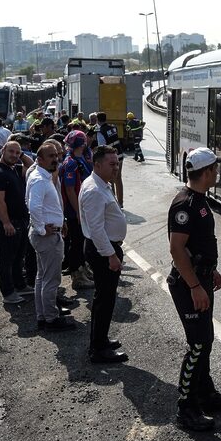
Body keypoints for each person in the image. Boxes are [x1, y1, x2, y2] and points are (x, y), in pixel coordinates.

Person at [168, 148, 221, 431]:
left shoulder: (198, 200)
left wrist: (211, 270)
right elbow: (176, 249)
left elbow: (196, 245)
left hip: (202, 278)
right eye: (216, 168)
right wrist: (196, 285)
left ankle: (205, 394)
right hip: (189, 284)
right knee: (197, 345)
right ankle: (185, 408)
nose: (218, 173)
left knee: (206, 341)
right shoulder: (185, 204)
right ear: (207, 172)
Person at [79, 145, 127, 363]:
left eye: (117, 163)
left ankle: (101, 339)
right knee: (104, 300)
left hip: (106, 248)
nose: (116, 167)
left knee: (106, 299)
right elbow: (96, 229)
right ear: (97, 165)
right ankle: (98, 349)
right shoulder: (94, 190)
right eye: (111, 164)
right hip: (103, 250)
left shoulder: (101, 184)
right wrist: (111, 255)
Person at [27, 142, 72, 332]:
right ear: (40, 159)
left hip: (47, 233)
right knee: (51, 279)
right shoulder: (39, 179)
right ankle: (51, 319)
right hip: (46, 236)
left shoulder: (41, 176)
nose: (56, 159)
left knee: (42, 278)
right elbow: (33, 206)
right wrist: (41, 229)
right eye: (51, 156)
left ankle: (43, 316)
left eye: (56, 155)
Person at [0, 140, 34, 305]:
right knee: (7, 259)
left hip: (20, 220)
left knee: (18, 257)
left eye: (18, 153)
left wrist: (21, 154)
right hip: (7, 222)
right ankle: (8, 292)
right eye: (11, 152)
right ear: (3, 150)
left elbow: (31, 166)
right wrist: (6, 223)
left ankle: (20, 285)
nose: (15, 155)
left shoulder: (13, 168)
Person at [58, 131, 94, 291]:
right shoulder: (71, 162)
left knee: (82, 241)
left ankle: (82, 268)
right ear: (82, 143)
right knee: (77, 242)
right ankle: (77, 276)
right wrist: (79, 211)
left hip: (83, 208)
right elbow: (70, 189)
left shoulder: (80, 159)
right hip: (75, 211)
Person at [94, 113, 123, 207]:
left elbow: (101, 147)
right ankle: (121, 202)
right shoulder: (113, 128)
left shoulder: (100, 131)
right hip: (119, 155)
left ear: (98, 120)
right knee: (118, 178)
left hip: (109, 158)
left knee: (110, 179)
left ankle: (113, 202)